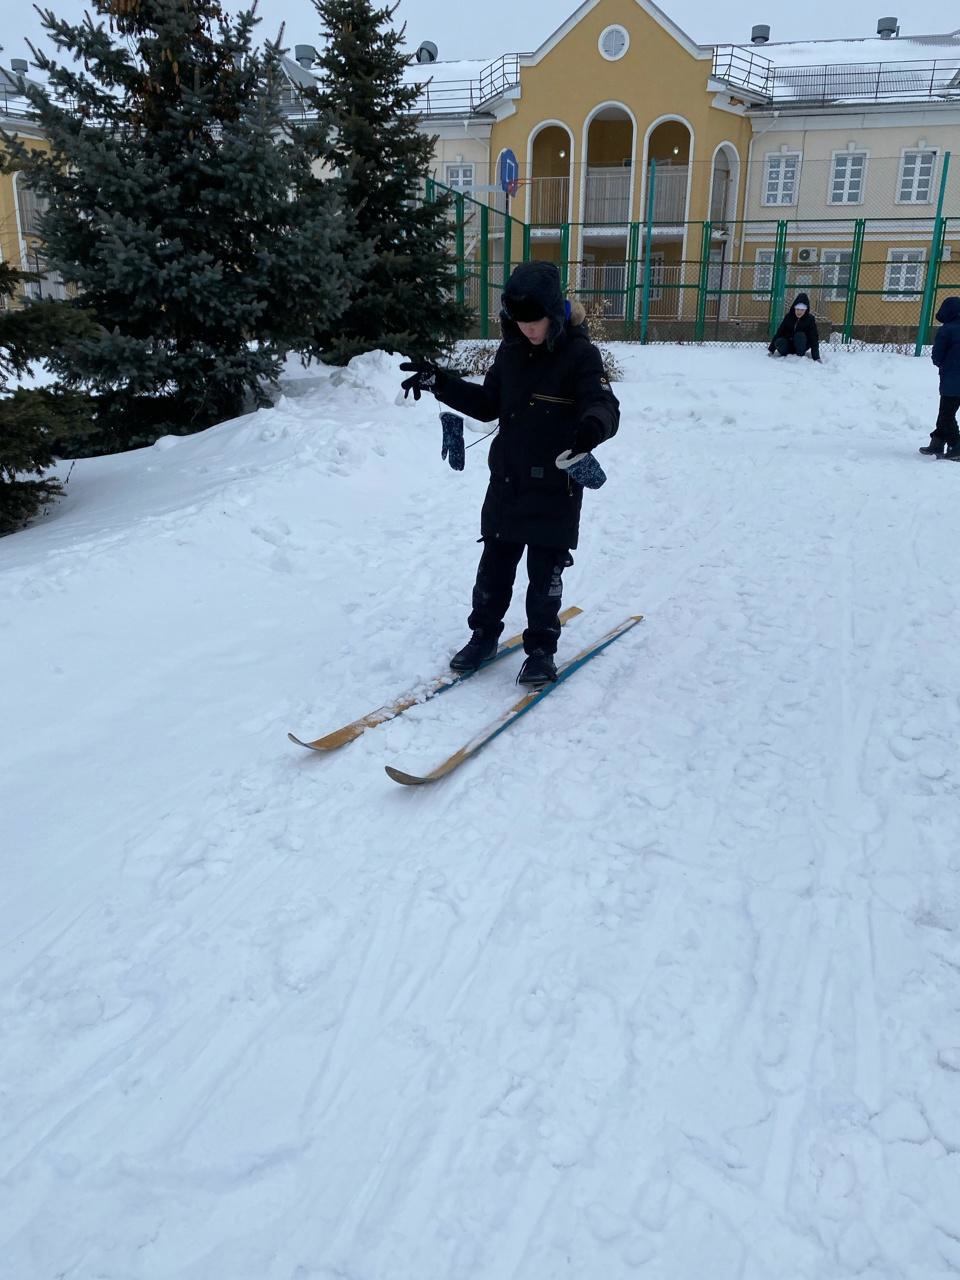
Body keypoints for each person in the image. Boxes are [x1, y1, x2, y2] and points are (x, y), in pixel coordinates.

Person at [399, 260, 620, 687]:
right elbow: (487, 404)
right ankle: (483, 636)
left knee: (544, 575)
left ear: (554, 314)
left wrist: (591, 428)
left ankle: (540, 650)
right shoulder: (511, 350)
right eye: (519, 322)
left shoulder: (580, 354)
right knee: (494, 569)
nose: (528, 330)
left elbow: (605, 405)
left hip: (557, 485)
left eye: (534, 321)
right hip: (509, 480)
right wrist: (439, 382)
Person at [920, 296, 960, 459]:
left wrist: (944, 365)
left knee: (946, 414)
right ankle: (937, 442)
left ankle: (956, 445)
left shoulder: (946, 330)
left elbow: (937, 356)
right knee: (946, 412)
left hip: (953, 380)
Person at [769, 293, 821, 361]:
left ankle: (799, 356)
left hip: (802, 345)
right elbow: (780, 332)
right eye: (797, 309)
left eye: (802, 310)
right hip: (789, 344)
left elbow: (814, 338)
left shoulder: (810, 319)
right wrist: (771, 350)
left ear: (806, 310)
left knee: (799, 335)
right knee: (779, 341)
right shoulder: (789, 317)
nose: (799, 312)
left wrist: (816, 357)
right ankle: (786, 355)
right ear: (794, 308)